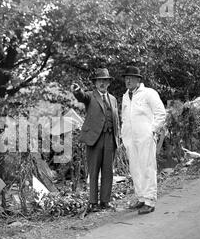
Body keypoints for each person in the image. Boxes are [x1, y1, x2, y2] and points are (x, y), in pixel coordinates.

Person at [71, 68, 120, 212]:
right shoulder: (90, 96)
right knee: (94, 171)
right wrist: (77, 90)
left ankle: (105, 201)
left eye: (105, 80)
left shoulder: (113, 99)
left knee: (108, 171)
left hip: (110, 138)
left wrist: (118, 137)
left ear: (108, 83)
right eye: (99, 80)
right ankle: (93, 202)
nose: (102, 83)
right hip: (95, 139)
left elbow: (117, 120)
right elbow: (81, 97)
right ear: (95, 83)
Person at [121, 66, 166, 215]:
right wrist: (123, 135)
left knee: (147, 167)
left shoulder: (149, 93)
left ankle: (150, 201)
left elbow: (161, 114)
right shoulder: (125, 96)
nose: (127, 80)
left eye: (131, 78)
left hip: (145, 137)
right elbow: (124, 118)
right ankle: (141, 197)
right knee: (135, 168)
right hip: (130, 138)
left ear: (138, 79)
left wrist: (151, 130)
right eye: (126, 78)